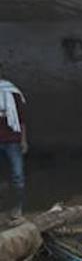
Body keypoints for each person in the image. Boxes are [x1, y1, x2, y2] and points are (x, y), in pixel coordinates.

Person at [0, 66, 27, 220]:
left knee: (17, 176)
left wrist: (23, 140)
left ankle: (17, 207)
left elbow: (22, 119)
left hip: (12, 140)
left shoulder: (12, 92)